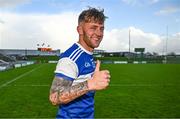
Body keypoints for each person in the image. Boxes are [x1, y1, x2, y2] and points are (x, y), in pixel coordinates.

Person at [49, 7, 111, 118]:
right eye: (93, 28)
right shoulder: (71, 58)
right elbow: (55, 97)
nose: (99, 33)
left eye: (101, 29)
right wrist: (90, 84)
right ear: (80, 30)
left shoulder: (88, 55)